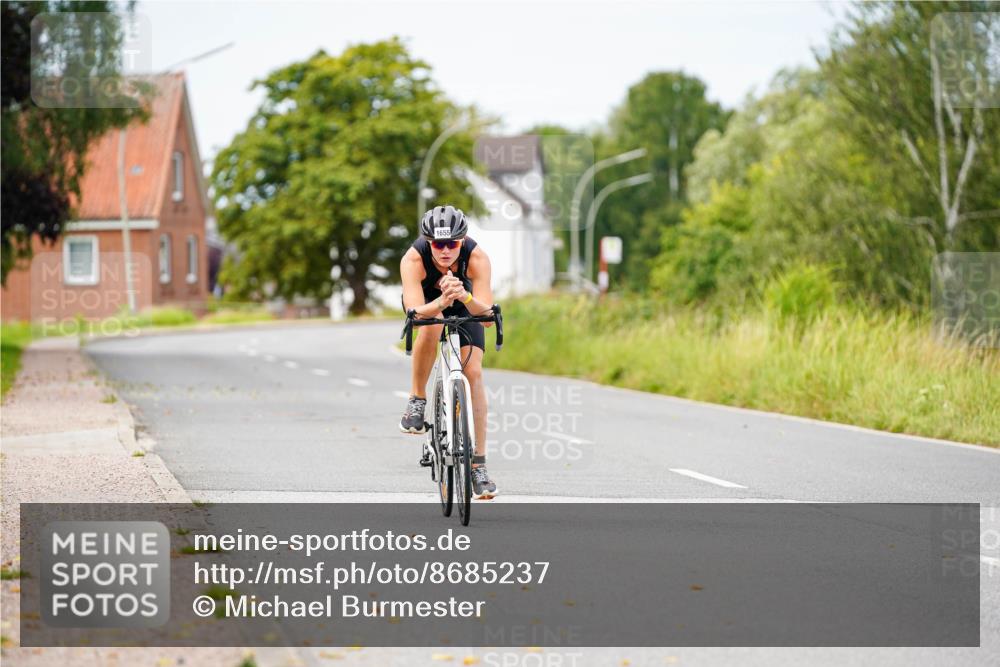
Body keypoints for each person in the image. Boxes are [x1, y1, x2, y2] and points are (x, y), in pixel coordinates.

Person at [399, 205, 497, 499]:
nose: (445, 250)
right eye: (438, 244)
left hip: (466, 303)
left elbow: (489, 317)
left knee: (474, 372)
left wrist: (463, 295)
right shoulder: (413, 259)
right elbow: (416, 316)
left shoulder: (477, 258)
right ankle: (417, 398)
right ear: (428, 243)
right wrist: (442, 301)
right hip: (430, 305)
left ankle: (478, 464)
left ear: (462, 241)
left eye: (452, 244)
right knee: (431, 326)